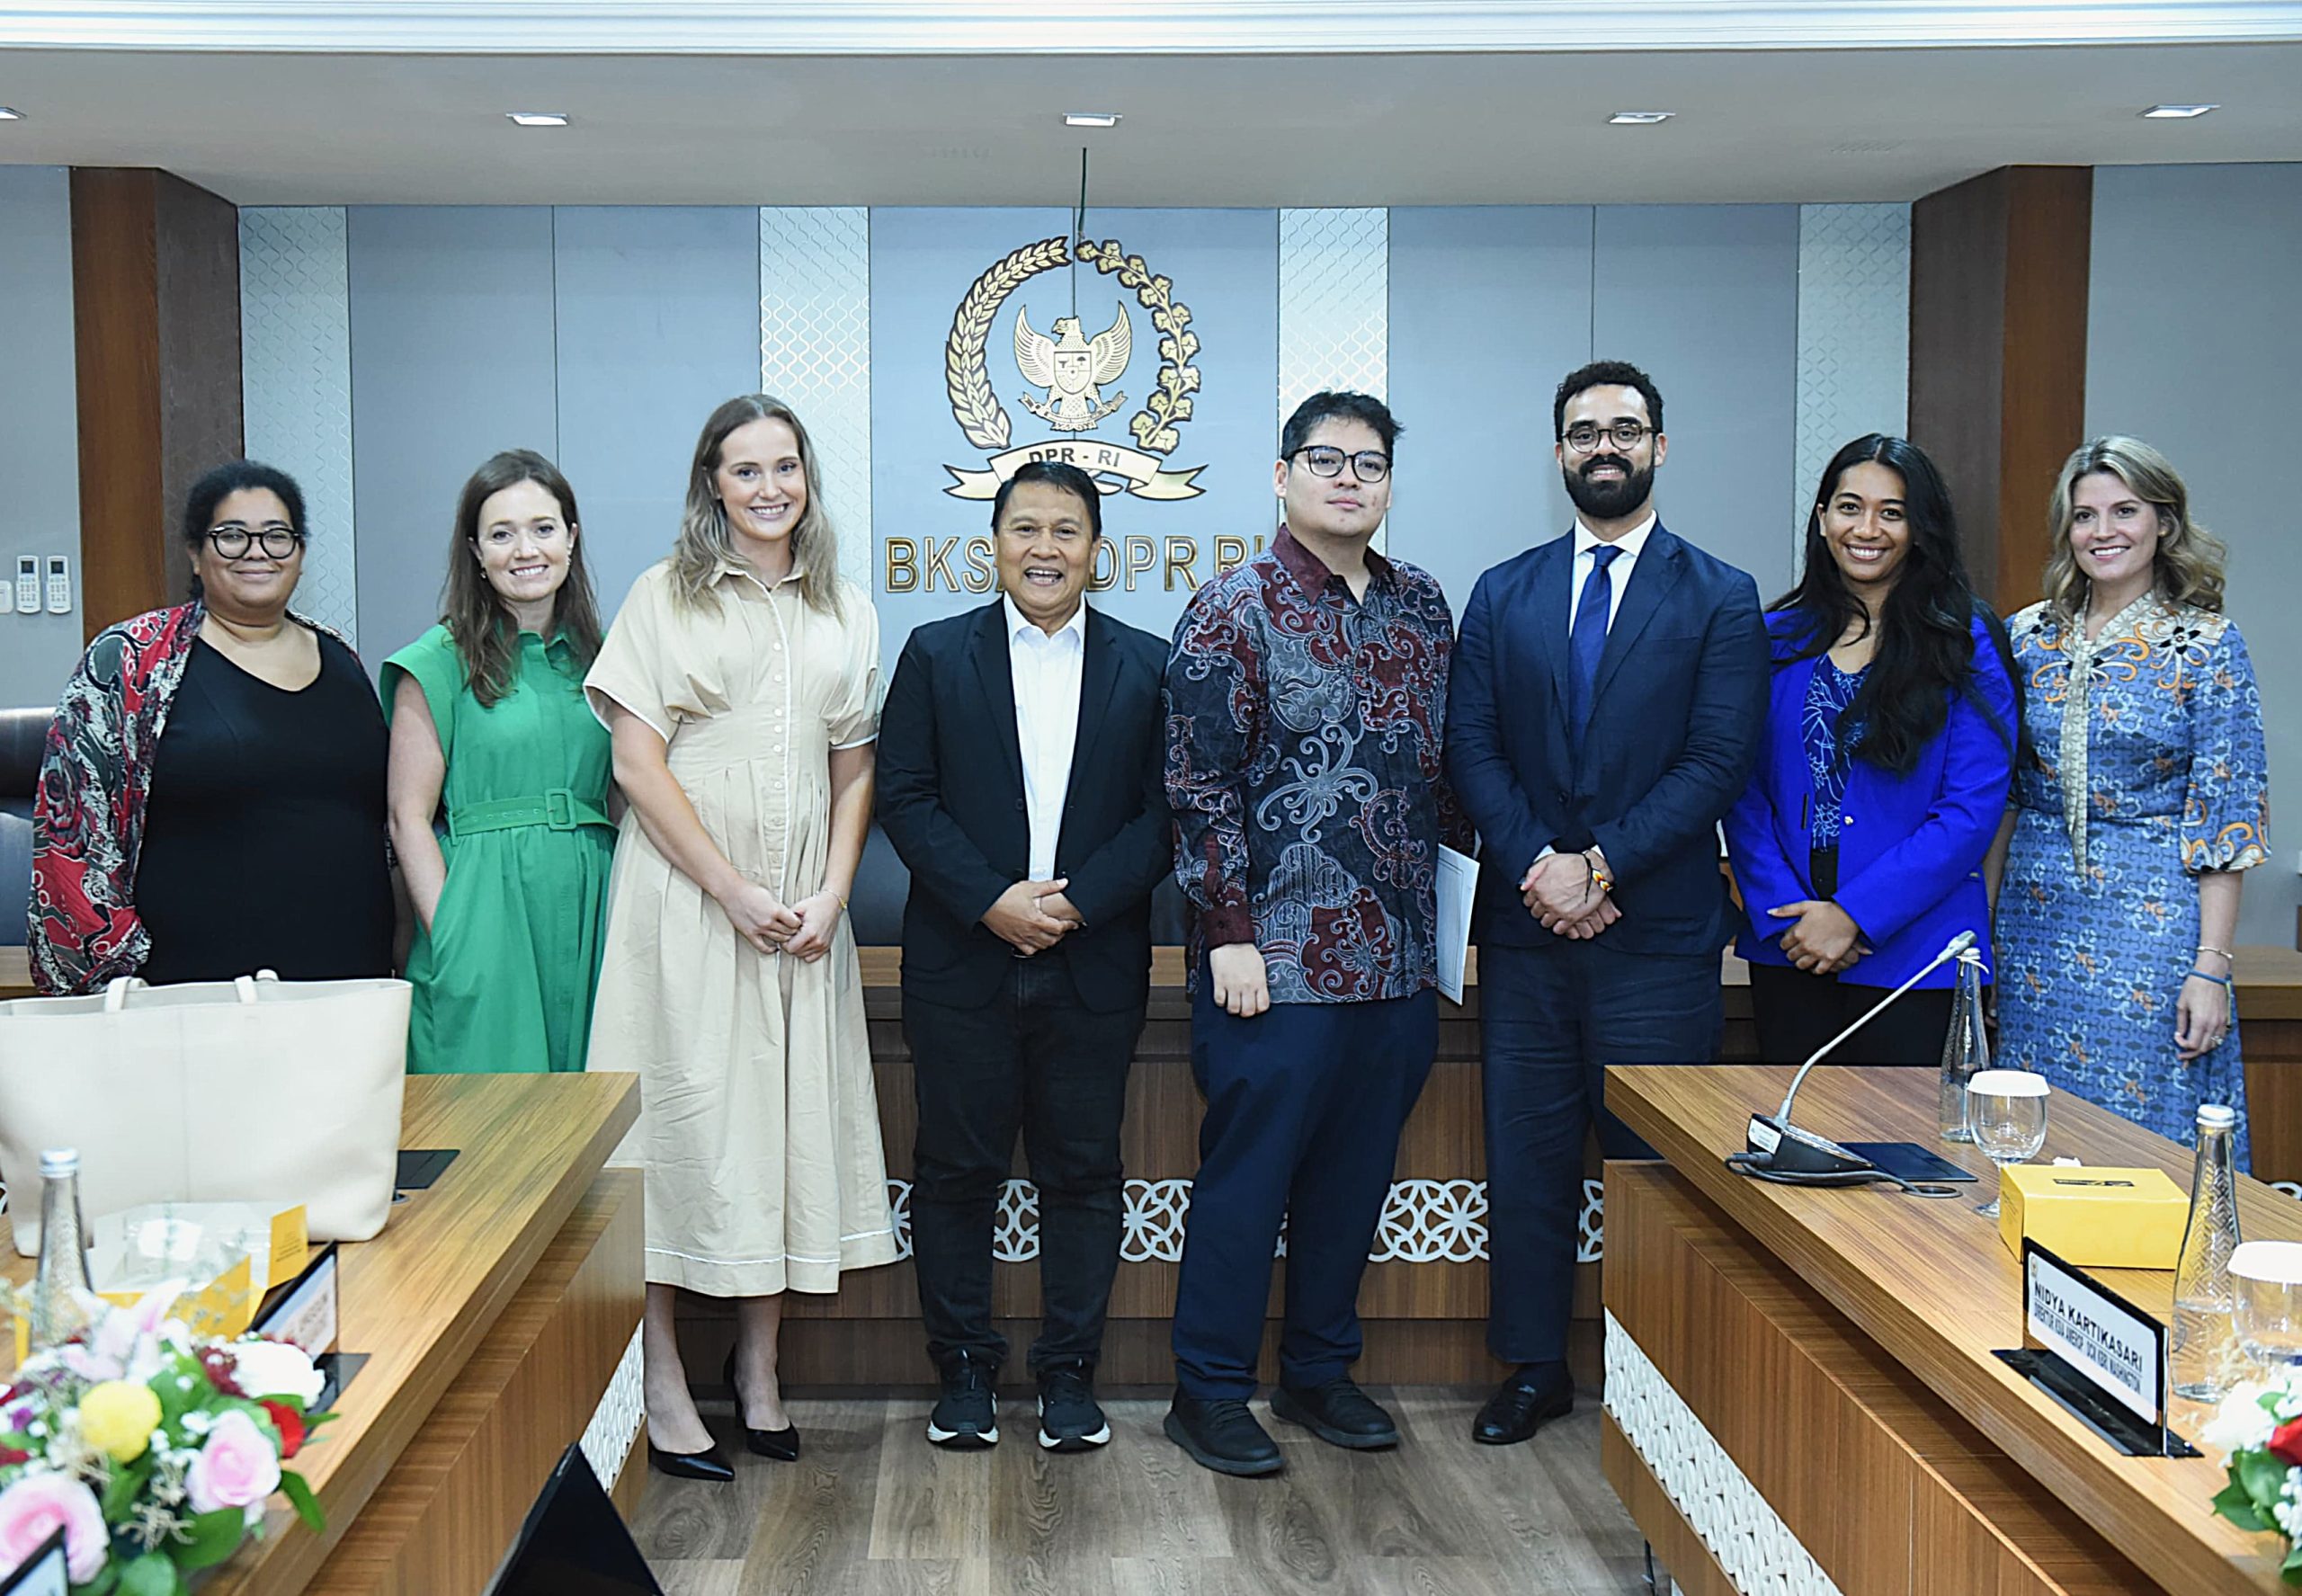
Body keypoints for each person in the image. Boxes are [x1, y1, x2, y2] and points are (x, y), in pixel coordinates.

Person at [1445, 360, 1768, 1446]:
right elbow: (1472, 747)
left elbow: (1719, 759)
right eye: (1584, 432)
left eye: (1625, 430)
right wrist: (1542, 861)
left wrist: (1601, 865)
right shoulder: (1504, 591)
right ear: (1558, 452)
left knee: (1652, 1174)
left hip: (1658, 936)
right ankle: (1532, 1369)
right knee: (1527, 1158)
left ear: (1659, 447)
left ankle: (1658, 1376)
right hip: (1527, 931)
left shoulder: (1721, 595)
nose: (1605, 447)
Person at [584, 395, 898, 1480]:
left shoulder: (844, 608)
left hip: (804, 918)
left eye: (785, 466)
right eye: (744, 469)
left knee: (780, 1132)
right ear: (710, 484)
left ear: (807, 477)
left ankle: (758, 1373)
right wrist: (727, 886)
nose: (768, 487)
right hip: (685, 903)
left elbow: (854, 765)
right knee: (675, 1134)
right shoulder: (661, 597)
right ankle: (662, 1375)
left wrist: (831, 890)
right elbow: (636, 763)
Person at [1162, 391, 1467, 1477]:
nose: (1350, 478)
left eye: (1370, 462)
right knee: (1248, 1184)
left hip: (1396, 958)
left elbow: (1446, 775)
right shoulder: (1231, 607)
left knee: (1354, 1180)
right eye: (1327, 459)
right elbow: (1198, 788)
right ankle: (1206, 1389)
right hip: (1273, 963)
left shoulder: (1423, 607)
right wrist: (1227, 930)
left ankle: (1318, 1371)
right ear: (1282, 474)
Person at [877, 459, 1172, 1454]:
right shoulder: (933, 653)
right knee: (954, 1168)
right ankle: (961, 1371)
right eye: (1024, 529)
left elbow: (1161, 814)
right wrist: (991, 901)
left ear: (1098, 550)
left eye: (1065, 531)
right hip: (962, 958)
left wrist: (1074, 903)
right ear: (992, 542)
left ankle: (1068, 1377)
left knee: (1083, 1173)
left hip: (1093, 962)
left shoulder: (1149, 663)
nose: (1044, 548)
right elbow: (905, 797)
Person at [1992, 437, 2270, 1164]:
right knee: (2034, 1128)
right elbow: (2005, 798)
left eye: (2125, 511)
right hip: (2034, 921)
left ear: (2163, 523)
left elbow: (2225, 817)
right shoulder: (2025, 636)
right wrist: (1983, 932)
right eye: (2085, 515)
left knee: (2151, 1131)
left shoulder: (2206, 644)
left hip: (2152, 923)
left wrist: (2211, 968)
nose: (2103, 531)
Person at [31, 461, 391, 993]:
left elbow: (381, 823)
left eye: (277, 536)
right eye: (231, 536)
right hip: (188, 995)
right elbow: (74, 835)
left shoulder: (342, 659)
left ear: (301, 554)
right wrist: (113, 978)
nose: (256, 551)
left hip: (348, 980)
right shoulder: (130, 660)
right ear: (195, 554)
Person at [1724, 435, 2021, 1066]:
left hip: (1919, 956)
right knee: (1794, 1152)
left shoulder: (1965, 642)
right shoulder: (1774, 637)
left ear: (1921, 528)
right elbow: (1740, 789)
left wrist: (1855, 915)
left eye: (1892, 512)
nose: (1868, 528)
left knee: (1904, 1157)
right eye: (1850, 506)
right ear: (1823, 518)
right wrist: (1787, 919)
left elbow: (1971, 811)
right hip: (1791, 948)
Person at [382, 450, 613, 1074]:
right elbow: (407, 816)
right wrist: (456, 931)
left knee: (590, 1120)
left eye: (542, 528)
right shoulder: (436, 660)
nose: (525, 549)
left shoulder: (605, 660)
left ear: (570, 537)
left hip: (592, 904)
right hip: (485, 906)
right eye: (501, 533)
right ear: (476, 551)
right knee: (489, 1126)